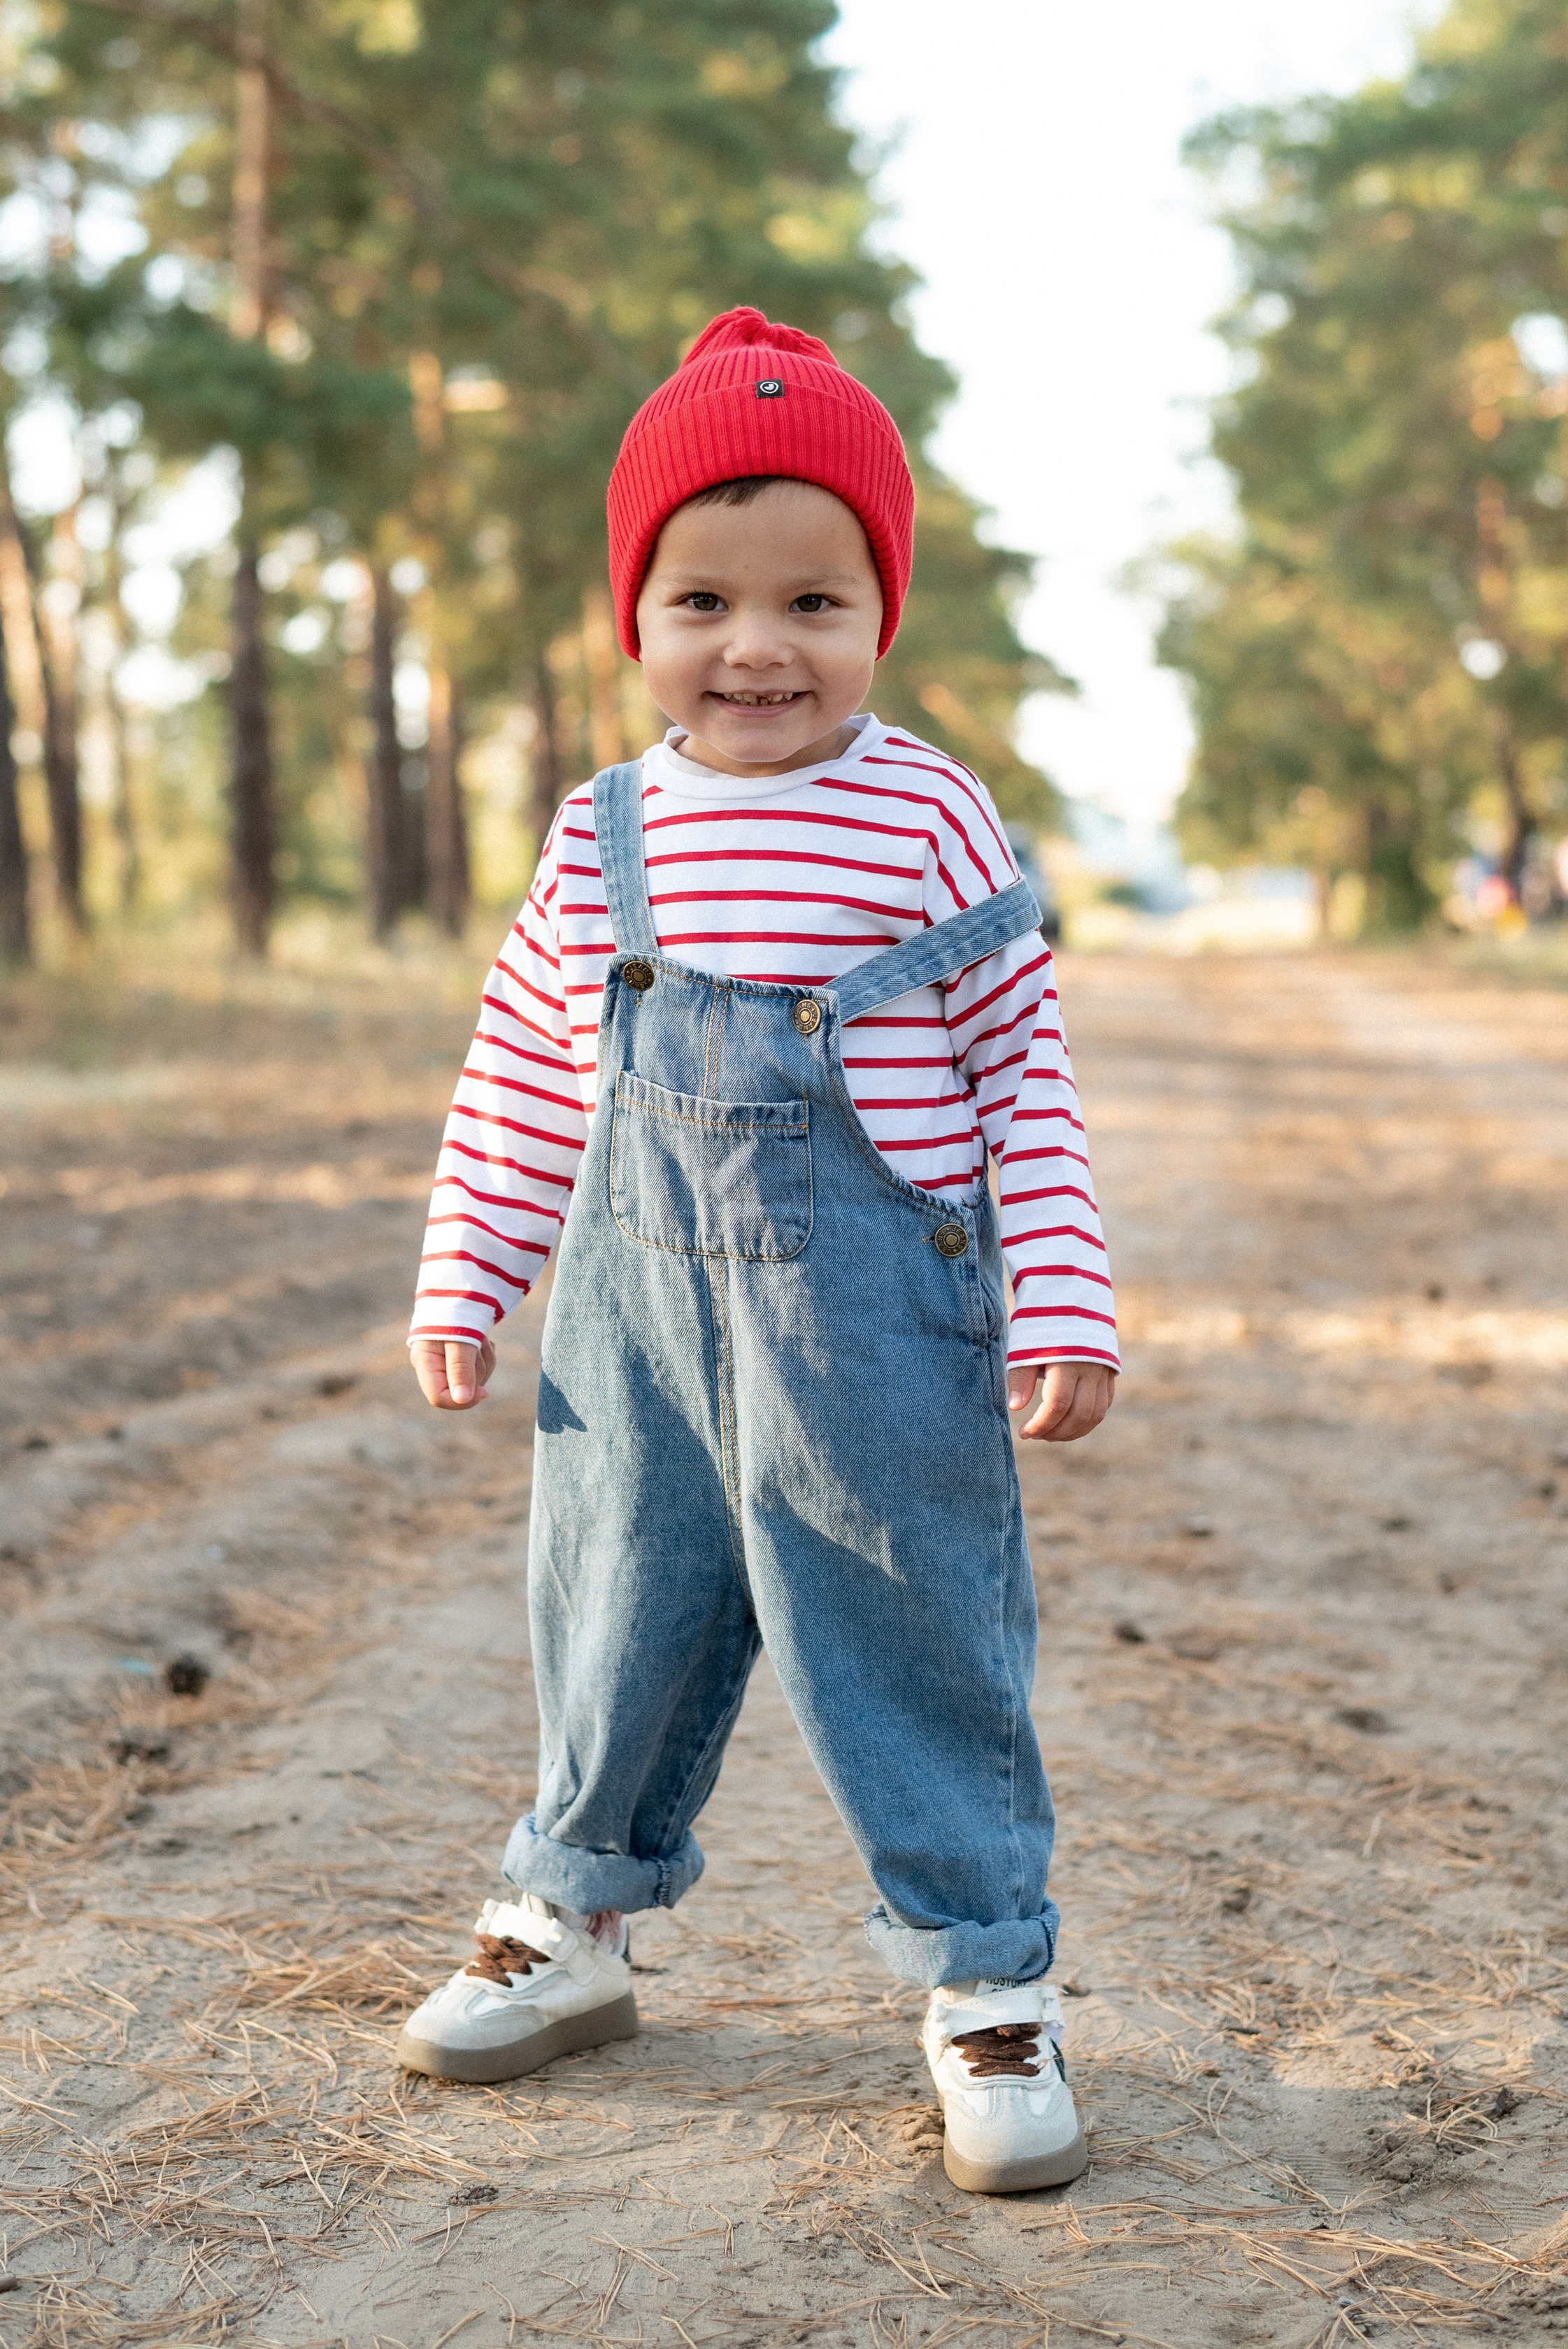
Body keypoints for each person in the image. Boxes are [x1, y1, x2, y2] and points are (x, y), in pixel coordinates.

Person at [397, 308, 1119, 2194]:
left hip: (870, 1319)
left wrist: (1063, 1293)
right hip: (630, 1315)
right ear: (633, 614)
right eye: (701, 596)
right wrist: (466, 1264)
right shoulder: (600, 831)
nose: (755, 645)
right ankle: (577, 1913)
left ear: (884, 610)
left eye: (815, 597)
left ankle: (986, 1976)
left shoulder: (932, 817)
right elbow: (523, 1070)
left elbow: (1020, 1077)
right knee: (613, 1599)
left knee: (909, 1620)